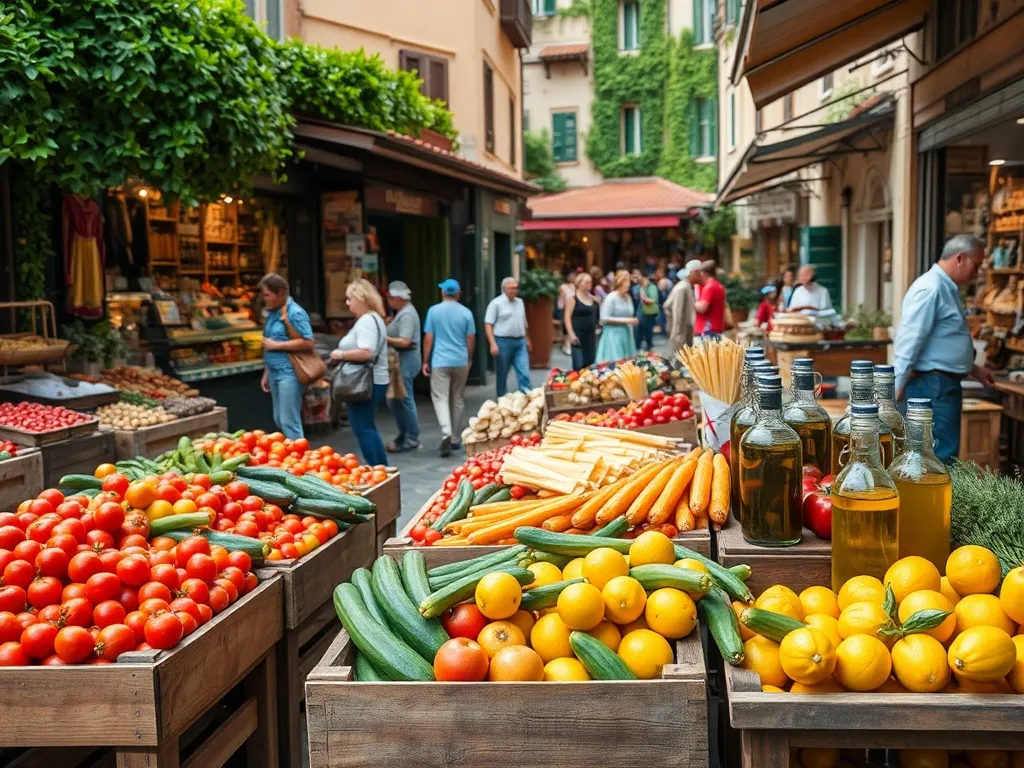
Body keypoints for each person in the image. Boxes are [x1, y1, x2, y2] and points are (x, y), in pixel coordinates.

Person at [894, 234, 994, 463]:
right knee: (938, 459)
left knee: (939, 456)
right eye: (976, 265)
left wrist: (974, 369)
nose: (977, 273)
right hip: (933, 386)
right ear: (960, 258)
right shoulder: (932, 288)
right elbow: (910, 340)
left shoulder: (944, 287)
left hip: (938, 384)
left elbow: (942, 341)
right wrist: (896, 386)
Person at [331, 279, 389, 467]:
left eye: (349, 298)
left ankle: (378, 467)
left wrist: (341, 353)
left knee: (363, 427)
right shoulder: (374, 318)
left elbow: (366, 352)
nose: (347, 303)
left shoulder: (366, 321)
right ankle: (380, 466)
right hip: (374, 379)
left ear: (361, 298)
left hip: (366, 381)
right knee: (366, 426)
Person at [422, 279, 476, 458]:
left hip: (440, 360)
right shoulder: (466, 313)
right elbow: (470, 339)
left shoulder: (433, 311)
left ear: (443, 293)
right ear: (458, 293)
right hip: (460, 360)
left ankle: (445, 430)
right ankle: (455, 438)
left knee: (440, 398)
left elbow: (429, 338)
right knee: (458, 398)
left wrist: (425, 361)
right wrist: (469, 359)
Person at [259, 273, 314, 439]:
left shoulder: (295, 313)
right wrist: (267, 372)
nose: (265, 299)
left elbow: (308, 341)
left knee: (289, 421)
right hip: (275, 372)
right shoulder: (274, 312)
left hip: (289, 373)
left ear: (281, 292)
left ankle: (301, 459)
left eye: (268, 295)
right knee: (279, 419)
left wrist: (277, 345)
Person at [384, 281, 421, 453]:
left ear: (398, 298)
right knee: (396, 399)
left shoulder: (406, 315)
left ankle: (411, 437)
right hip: (401, 361)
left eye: (390, 298)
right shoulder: (402, 313)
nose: (389, 301)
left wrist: (384, 338)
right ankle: (405, 434)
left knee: (404, 398)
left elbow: (405, 341)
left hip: (406, 361)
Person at [485, 277, 531, 397]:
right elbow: (488, 324)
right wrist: (492, 343)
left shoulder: (520, 302)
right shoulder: (496, 303)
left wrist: (528, 339)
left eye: (516, 288)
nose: (515, 290)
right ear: (505, 288)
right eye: (512, 287)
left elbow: (524, 322)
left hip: (520, 341)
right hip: (503, 341)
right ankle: (502, 399)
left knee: (524, 372)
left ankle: (526, 399)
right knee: (502, 373)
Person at [596, 270, 638, 362]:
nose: (629, 284)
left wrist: (632, 320)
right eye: (627, 281)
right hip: (613, 335)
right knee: (615, 364)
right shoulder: (611, 297)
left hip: (626, 333)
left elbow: (629, 314)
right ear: (620, 282)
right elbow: (604, 318)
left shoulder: (628, 297)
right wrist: (627, 321)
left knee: (628, 366)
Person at [564, 272, 599, 370]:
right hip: (578, 335)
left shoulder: (592, 299)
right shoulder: (573, 299)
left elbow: (596, 316)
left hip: (590, 335)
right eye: (587, 282)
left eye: (590, 282)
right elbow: (567, 317)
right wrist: (571, 335)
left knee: (590, 364)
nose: (590, 284)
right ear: (579, 283)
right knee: (579, 364)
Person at [663, 261, 696, 356]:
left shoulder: (687, 286)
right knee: (677, 362)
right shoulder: (682, 287)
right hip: (679, 332)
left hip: (683, 330)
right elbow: (677, 311)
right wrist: (677, 333)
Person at [694, 260, 727, 338]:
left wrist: (692, 302)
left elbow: (702, 307)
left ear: (704, 273)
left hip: (708, 329)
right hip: (715, 328)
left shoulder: (710, 287)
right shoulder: (718, 285)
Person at [635, 273, 659, 351]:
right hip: (640, 310)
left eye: (638, 276)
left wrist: (645, 299)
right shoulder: (638, 287)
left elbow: (653, 299)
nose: (637, 278)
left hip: (649, 312)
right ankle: (639, 346)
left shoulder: (651, 287)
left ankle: (648, 346)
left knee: (648, 330)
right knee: (640, 329)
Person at [556, 272, 575, 355]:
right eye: (571, 276)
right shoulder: (563, 287)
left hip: (574, 309)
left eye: (574, 276)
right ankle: (566, 345)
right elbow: (561, 299)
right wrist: (559, 310)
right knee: (565, 327)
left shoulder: (576, 286)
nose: (573, 278)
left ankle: (569, 344)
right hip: (565, 308)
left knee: (572, 326)